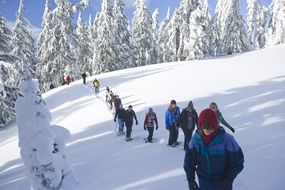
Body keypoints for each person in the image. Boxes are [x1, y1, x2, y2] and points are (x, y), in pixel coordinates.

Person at [184, 108, 244, 190]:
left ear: (215, 125)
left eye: (210, 126)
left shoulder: (226, 140)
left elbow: (238, 161)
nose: (206, 129)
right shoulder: (195, 140)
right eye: (204, 126)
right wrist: (191, 180)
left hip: (222, 182)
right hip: (203, 181)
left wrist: (228, 178)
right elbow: (189, 161)